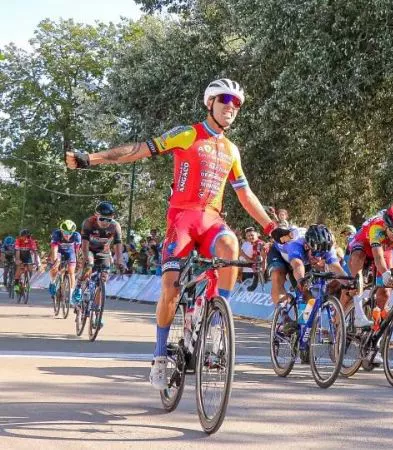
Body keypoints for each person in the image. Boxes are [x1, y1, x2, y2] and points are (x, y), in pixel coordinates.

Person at [65, 78, 278, 390]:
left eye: (236, 103)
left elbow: (246, 195)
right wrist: (92, 158)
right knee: (171, 289)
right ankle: (160, 356)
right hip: (182, 219)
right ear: (210, 103)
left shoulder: (232, 150)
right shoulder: (187, 133)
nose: (231, 107)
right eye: (224, 100)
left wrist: (273, 227)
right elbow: (139, 149)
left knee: (231, 244)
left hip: (212, 220)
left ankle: (216, 325)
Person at [268, 224, 347, 306]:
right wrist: (301, 279)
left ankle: (305, 311)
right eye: (315, 254)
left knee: (306, 292)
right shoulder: (296, 242)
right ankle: (281, 310)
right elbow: (297, 265)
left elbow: (337, 268)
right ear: (306, 246)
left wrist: (349, 283)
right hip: (280, 254)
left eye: (322, 255)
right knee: (277, 275)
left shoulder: (327, 248)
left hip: (302, 261)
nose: (318, 258)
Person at [78, 201, 125, 326]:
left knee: (102, 280)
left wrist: (119, 260)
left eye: (108, 219)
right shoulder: (88, 223)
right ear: (96, 216)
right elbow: (84, 245)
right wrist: (86, 259)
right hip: (89, 249)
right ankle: (79, 287)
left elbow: (118, 244)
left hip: (103, 252)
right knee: (89, 263)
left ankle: (97, 314)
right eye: (102, 219)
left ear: (112, 218)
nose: (105, 222)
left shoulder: (115, 226)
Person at [48, 219, 82, 304]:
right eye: (66, 233)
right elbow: (54, 249)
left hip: (70, 252)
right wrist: (55, 260)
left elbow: (77, 251)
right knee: (55, 266)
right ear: (61, 231)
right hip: (59, 252)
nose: (68, 235)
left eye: (70, 233)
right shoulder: (56, 234)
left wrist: (78, 261)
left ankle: (71, 295)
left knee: (71, 272)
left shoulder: (76, 236)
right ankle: (52, 282)